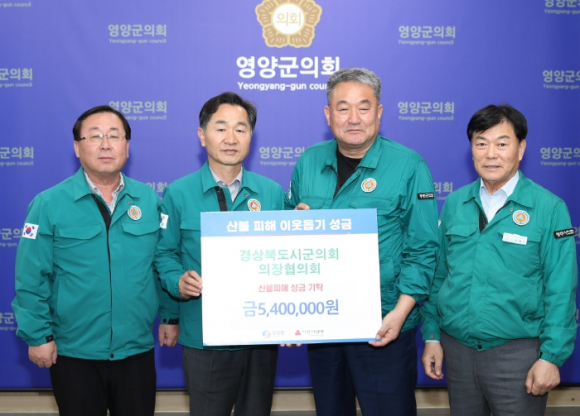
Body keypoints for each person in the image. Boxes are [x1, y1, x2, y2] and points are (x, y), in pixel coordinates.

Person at [284, 67, 439, 416]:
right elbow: (287, 242)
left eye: (363, 107)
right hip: (322, 324)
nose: (353, 118)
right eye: (343, 108)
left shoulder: (408, 166)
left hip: (384, 325)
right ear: (328, 114)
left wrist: (400, 312)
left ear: (379, 112)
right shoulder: (309, 161)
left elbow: (423, 249)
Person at [11, 105, 179, 416]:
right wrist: (37, 335)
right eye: (95, 136)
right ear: (77, 147)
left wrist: (170, 316)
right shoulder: (48, 204)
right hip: (74, 353)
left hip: (136, 351)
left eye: (114, 136)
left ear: (126, 145)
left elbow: (161, 262)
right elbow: (31, 276)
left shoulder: (148, 200)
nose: (105, 144)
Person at [421, 104, 578, 416]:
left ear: (521, 148)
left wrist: (551, 357)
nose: (490, 154)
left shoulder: (548, 208)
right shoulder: (455, 203)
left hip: (519, 355)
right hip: (458, 351)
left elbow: (561, 290)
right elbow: (439, 277)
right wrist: (432, 336)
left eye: (502, 143)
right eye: (481, 143)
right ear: (471, 149)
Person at [154, 92, 283, 416]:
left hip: (260, 334)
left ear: (251, 137)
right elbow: (165, 254)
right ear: (202, 135)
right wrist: (177, 283)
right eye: (221, 128)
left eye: (240, 129)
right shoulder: (178, 193)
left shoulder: (271, 192)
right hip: (204, 334)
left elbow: (283, 258)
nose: (231, 138)